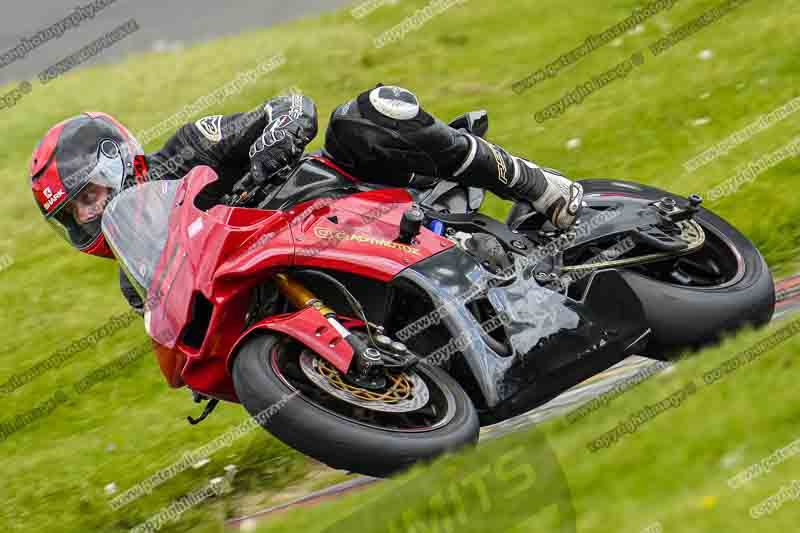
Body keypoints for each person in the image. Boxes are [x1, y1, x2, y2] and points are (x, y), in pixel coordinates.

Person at [29, 85, 583, 313]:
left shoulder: (188, 147)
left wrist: (272, 147)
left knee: (369, 114)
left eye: (89, 194)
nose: (90, 213)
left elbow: (289, 106)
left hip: (333, 197)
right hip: (295, 279)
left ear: (116, 161)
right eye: (73, 212)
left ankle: (540, 187)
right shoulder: (138, 281)